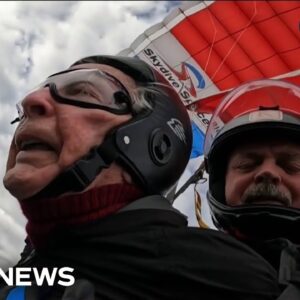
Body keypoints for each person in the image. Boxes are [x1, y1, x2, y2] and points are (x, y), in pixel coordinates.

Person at [0, 56, 280, 300]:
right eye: (41, 91)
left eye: (85, 92)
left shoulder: (222, 275)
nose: (31, 100)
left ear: (155, 144)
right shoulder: (35, 259)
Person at [204, 78, 300, 299]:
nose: (268, 173)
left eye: (291, 166)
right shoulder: (176, 264)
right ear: (220, 182)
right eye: (247, 164)